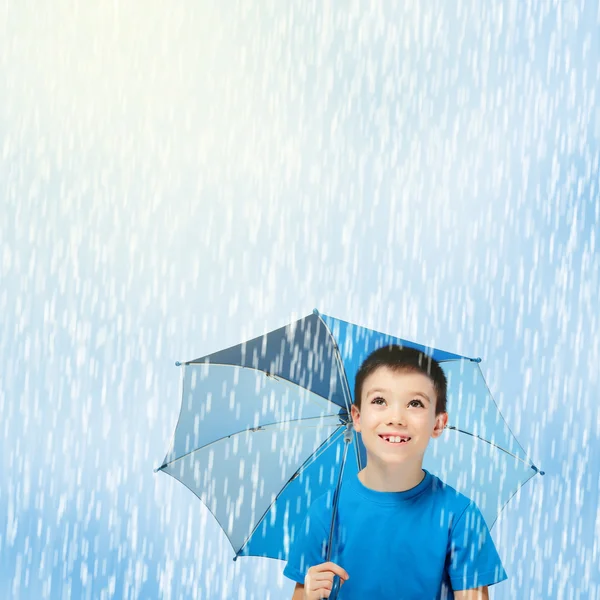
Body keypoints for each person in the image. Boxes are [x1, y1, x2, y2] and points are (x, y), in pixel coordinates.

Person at [283, 345, 508, 599]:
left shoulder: (459, 517)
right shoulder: (326, 513)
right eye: (380, 401)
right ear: (357, 417)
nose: (396, 417)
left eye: (415, 403)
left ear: (438, 423)